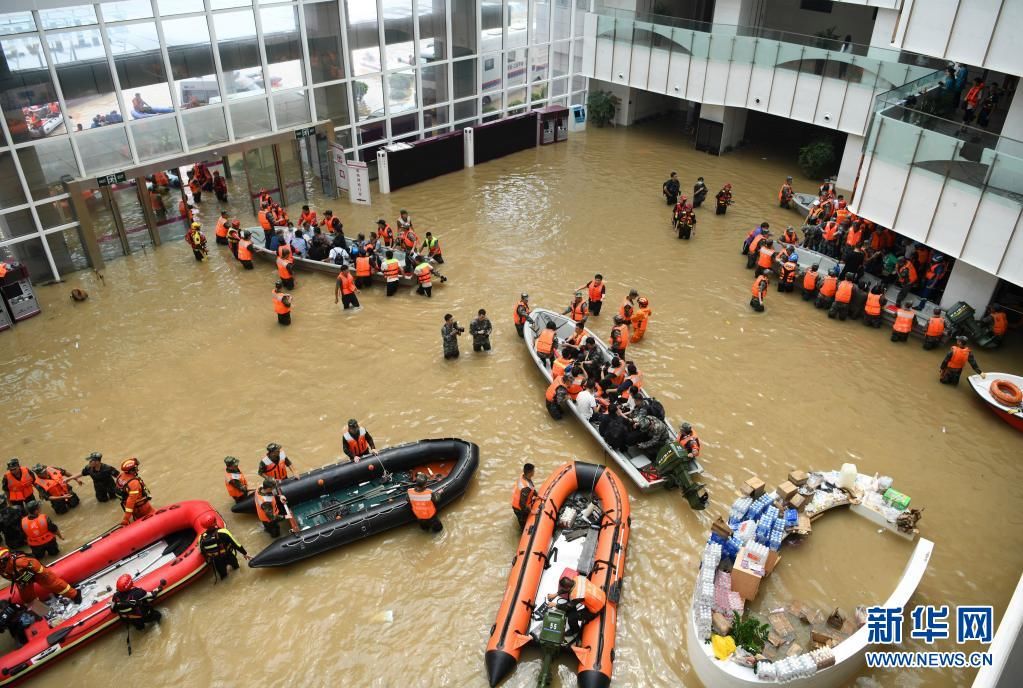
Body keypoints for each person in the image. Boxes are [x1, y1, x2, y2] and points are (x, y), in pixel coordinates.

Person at [0, 547, 80, 603]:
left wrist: (33, 575)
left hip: (36, 573)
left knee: (54, 584)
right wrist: (21, 580)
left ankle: (75, 595)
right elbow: (8, 575)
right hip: (22, 579)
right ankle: (39, 610)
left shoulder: (19, 561)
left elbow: (35, 565)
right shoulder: (3, 567)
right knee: (27, 597)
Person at [198, 513, 249, 580]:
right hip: (229, 555)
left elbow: (203, 551)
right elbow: (236, 544)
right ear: (215, 522)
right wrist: (244, 553)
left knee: (224, 577)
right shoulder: (223, 532)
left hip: (216, 560)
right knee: (237, 570)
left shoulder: (201, 537)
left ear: (203, 526)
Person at [115, 458, 153, 526]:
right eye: (136, 468)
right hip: (142, 508)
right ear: (131, 470)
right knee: (153, 518)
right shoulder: (134, 483)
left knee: (138, 520)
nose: (137, 469)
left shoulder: (120, 476)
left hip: (132, 508)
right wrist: (126, 519)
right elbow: (131, 502)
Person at [511, 463, 538, 529]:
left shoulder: (523, 476)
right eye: (533, 471)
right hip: (519, 508)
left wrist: (538, 495)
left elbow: (532, 488)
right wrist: (532, 511)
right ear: (530, 473)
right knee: (524, 525)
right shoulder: (525, 488)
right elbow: (522, 504)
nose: (534, 472)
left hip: (518, 502)